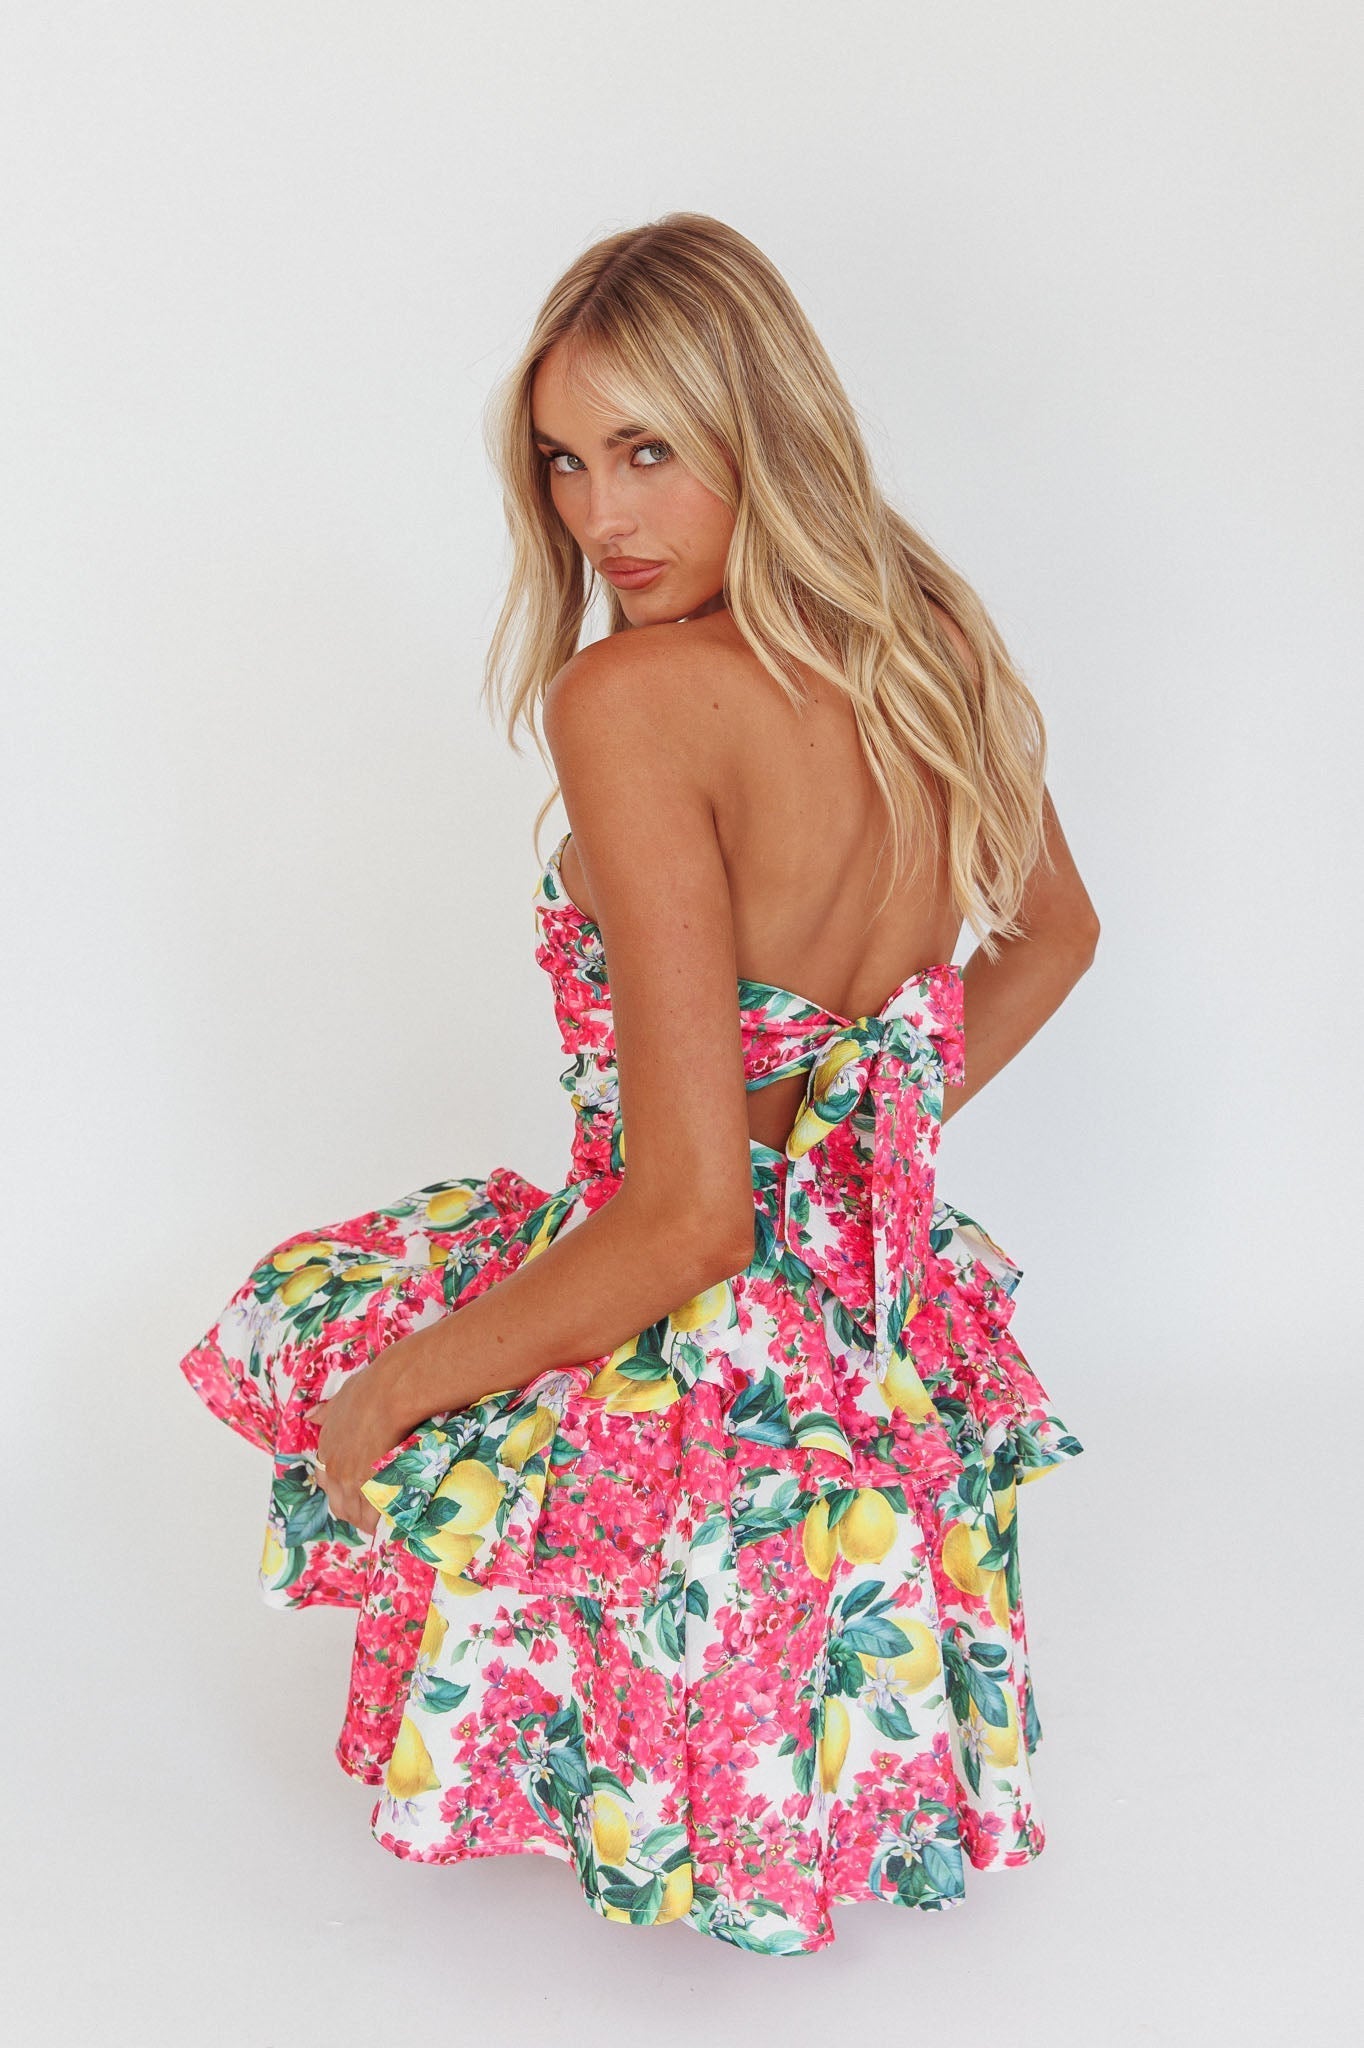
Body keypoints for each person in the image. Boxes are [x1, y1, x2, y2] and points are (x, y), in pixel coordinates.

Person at [179, 211, 1096, 1956]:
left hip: (695, 1349)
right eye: (564, 462)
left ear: (761, 427)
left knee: (338, 1336)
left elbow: (686, 1220)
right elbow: (1055, 937)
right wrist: (858, 1162)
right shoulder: (930, 643)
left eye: (649, 450)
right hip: (863, 1344)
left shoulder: (635, 700)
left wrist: (388, 1400)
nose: (602, 515)